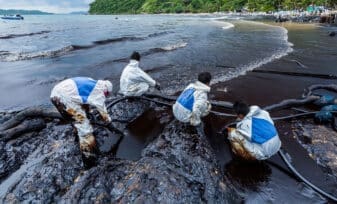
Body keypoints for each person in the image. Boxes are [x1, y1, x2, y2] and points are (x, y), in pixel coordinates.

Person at [50, 77, 112, 167]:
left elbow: (82, 98)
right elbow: (102, 108)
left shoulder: (92, 82)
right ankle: (89, 160)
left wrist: (87, 112)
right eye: (106, 94)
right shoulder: (99, 90)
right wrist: (109, 123)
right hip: (64, 98)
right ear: (106, 90)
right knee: (85, 128)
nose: (105, 96)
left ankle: (77, 137)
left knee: (74, 119)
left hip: (55, 95)